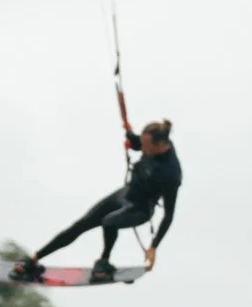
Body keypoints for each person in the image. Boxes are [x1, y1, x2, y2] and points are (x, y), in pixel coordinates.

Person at [11, 118, 180, 283]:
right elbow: (137, 143)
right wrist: (129, 134)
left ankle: (103, 262)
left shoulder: (171, 173)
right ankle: (34, 259)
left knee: (109, 222)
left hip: (141, 208)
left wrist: (153, 247)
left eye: (146, 146)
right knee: (81, 224)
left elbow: (169, 215)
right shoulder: (151, 143)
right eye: (142, 143)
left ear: (159, 145)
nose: (142, 148)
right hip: (125, 194)